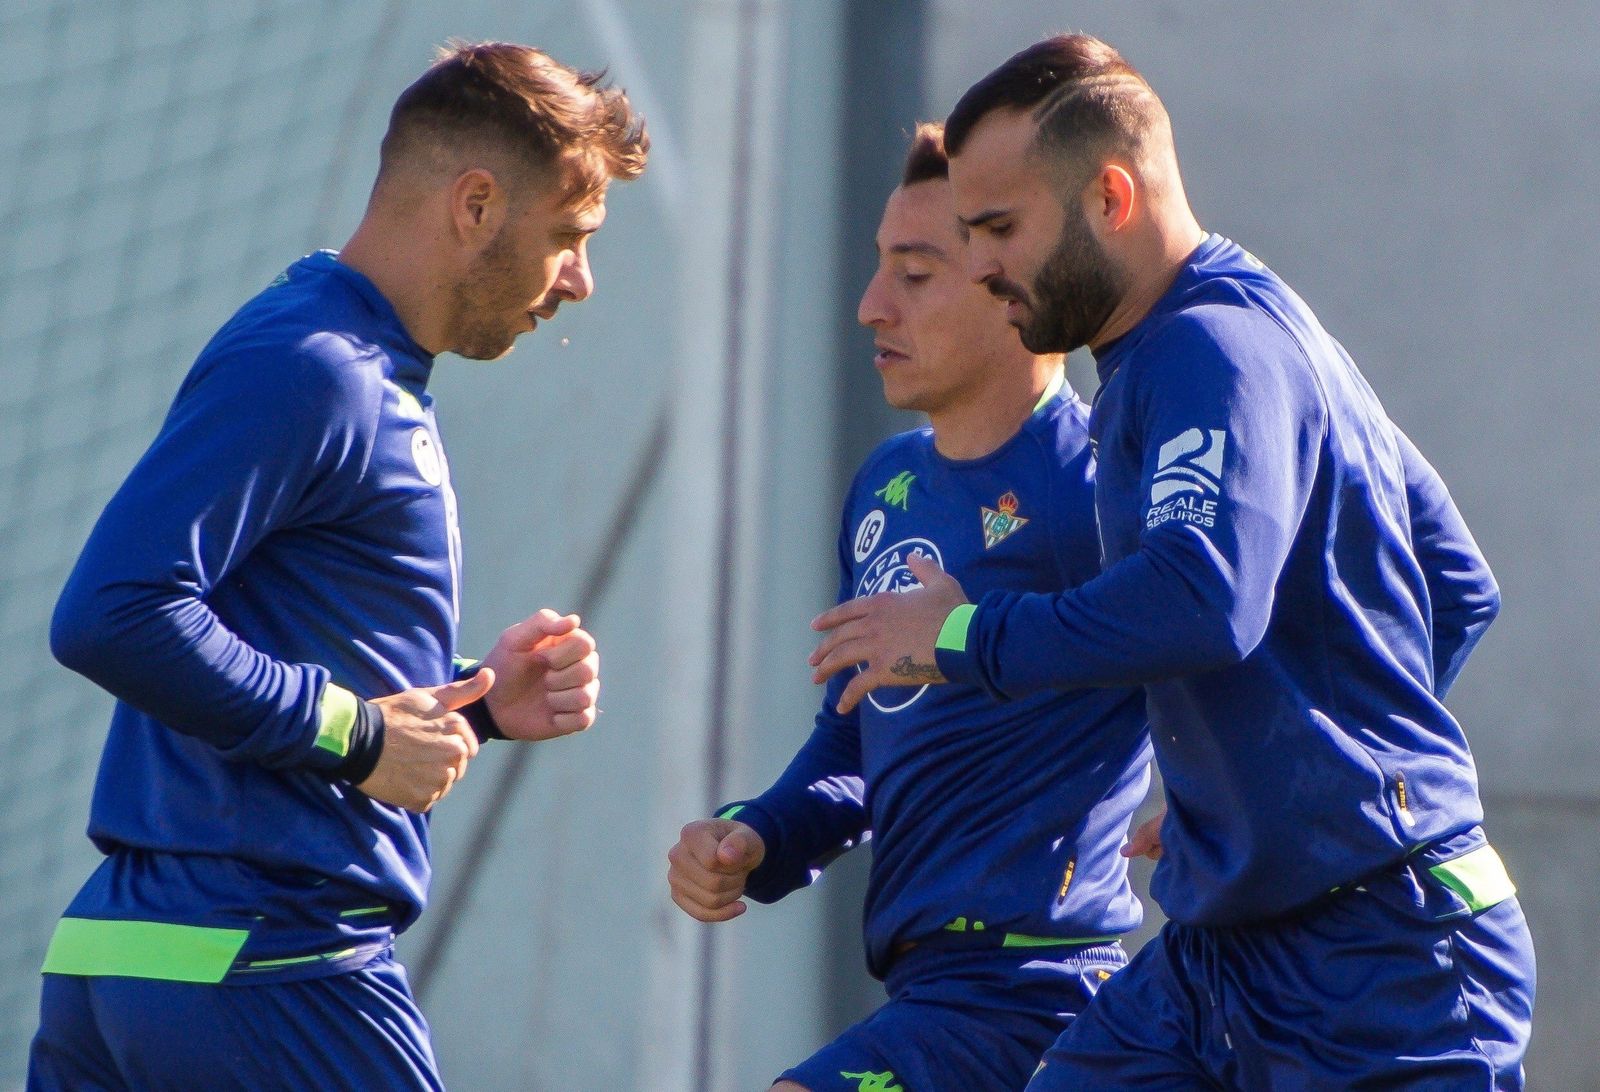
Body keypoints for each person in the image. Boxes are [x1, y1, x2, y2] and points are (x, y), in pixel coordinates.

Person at [810, 33, 1534, 1090]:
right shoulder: (1222, 339)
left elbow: (1203, 596)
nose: (982, 266)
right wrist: (1262, 794)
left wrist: (960, 634)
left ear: (1110, 197)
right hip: (1222, 954)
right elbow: (1453, 577)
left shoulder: (1211, 349)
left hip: (1386, 955)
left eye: (999, 228)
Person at [29, 42, 646, 1091]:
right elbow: (113, 612)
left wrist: (474, 708)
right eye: (570, 236)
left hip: (141, 955)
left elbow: (271, 642)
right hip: (268, 960)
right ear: (477, 205)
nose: (581, 281)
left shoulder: (347, 360)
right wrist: (357, 736)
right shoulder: (319, 366)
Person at [667, 124, 1152, 1092]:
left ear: (1009, 285)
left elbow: (1218, 637)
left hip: (1038, 990)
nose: (870, 306)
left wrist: (1227, 817)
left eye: (915, 274)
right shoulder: (885, 487)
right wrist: (758, 833)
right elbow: (856, 742)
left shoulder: (1091, 487)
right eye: (879, 266)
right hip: (927, 994)